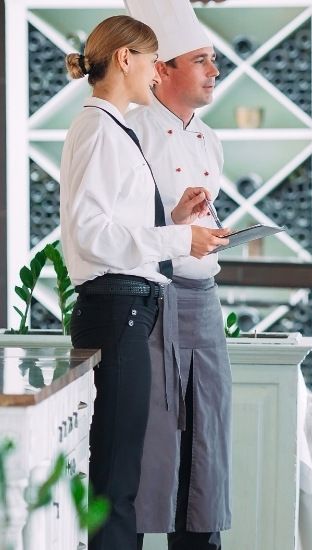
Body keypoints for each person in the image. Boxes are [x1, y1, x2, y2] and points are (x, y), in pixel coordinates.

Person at [59, 15, 228, 550]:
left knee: (122, 479)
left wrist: (175, 223)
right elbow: (91, 234)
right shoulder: (99, 128)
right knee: (116, 482)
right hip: (117, 307)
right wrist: (178, 240)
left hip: (129, 306)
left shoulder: (112, 127)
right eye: (154, 61)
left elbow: (117, 224)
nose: (157, 74)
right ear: (125, 58)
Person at [123, 1, 233, 548]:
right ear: (161, 69)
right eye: (201, 60)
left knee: (208, 437)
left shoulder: (210, 138)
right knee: (154, 445)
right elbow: (119, 233)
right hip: (155, 302)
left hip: (205, 300)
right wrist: (175, 222)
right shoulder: (131, 132)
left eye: (213, 60)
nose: (215, 70)